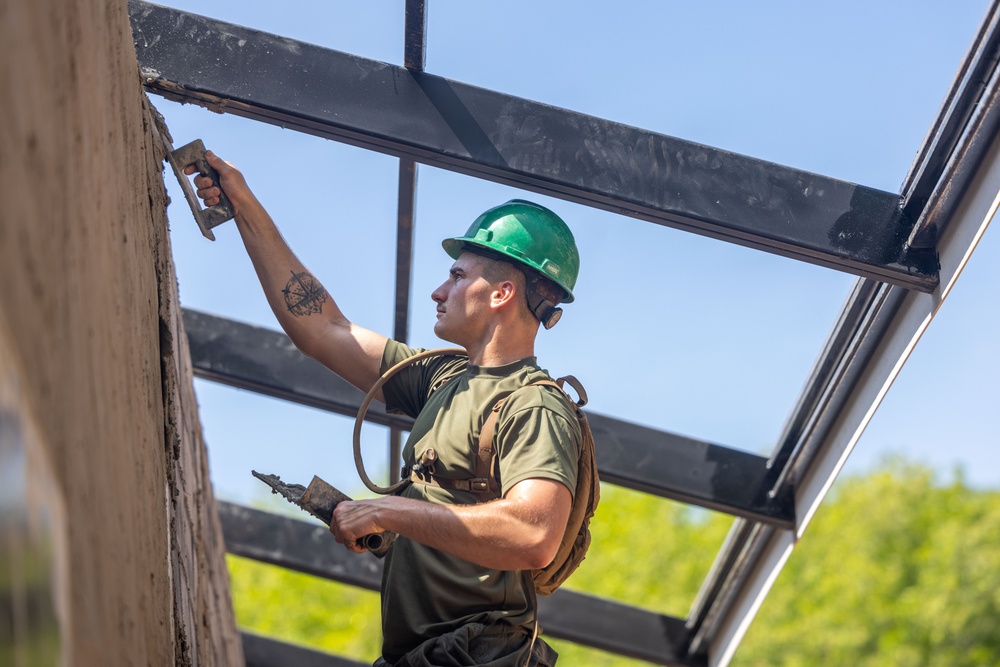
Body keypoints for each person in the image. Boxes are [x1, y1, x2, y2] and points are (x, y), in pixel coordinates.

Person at [188, 152, 583, 666]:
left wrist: (385, 510)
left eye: (458, 276)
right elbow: (324, 329)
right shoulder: (444, 378)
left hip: (480, 656)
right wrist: (244, 207)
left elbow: (534, 534)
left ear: (502, 293)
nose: (440, 291)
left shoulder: (534, 405)